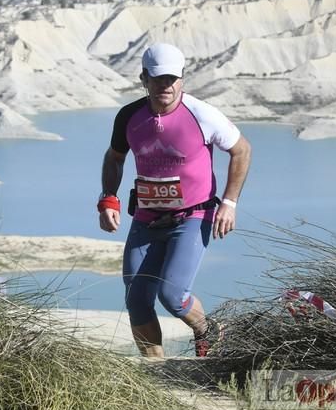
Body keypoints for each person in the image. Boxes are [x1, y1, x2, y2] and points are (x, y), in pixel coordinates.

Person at [97, 42, 251, 358]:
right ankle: (157, 373)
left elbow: (242, 150)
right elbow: (114, 158)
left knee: (173, 295)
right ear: (144, 79)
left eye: (171, 78)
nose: (165, 86)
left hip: (193, 216)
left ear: (182, 79)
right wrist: (108, 199)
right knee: (137, 299)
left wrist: (230, 202)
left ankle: (207, 329)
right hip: (146, 219)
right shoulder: (129, 116)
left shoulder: (202, 114)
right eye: (157, 79)